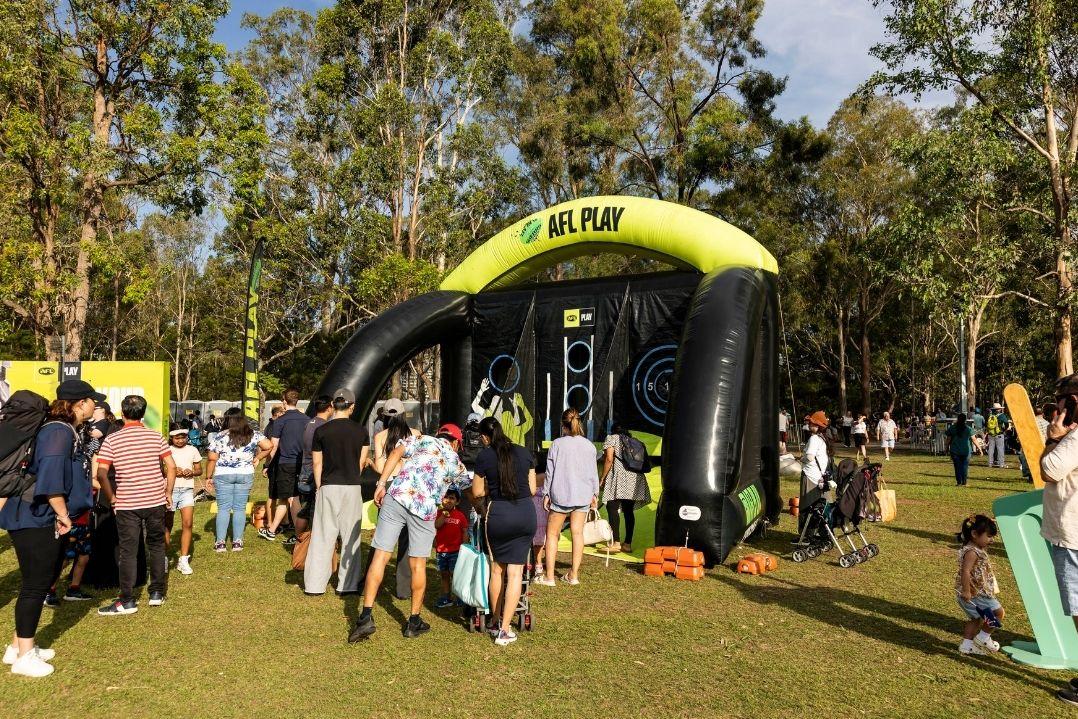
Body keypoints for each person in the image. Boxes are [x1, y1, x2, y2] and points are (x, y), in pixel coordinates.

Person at [1, 380, 99, 677]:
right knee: (35, 585)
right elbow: (51, 479)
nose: (96, 405)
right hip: (36, 516)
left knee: (41, 580)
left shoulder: (63, 430)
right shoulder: (57, 431)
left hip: (41, 515)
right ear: (80, 403)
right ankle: (25, 657)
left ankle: (18, 646)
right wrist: (63, 515)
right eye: (93, 400)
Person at [349, 424, 467, 642]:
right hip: (424, 508)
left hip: (397, 496)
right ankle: (413, 621)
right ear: (456, 443)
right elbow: (467, 483)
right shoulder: (454, 459)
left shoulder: (422, 439)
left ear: (439, 434)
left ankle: (365, 616)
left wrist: (381, 484)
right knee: (418, 564)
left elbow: (396, 452)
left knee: (380, 556)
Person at [96, 395, 177, 616]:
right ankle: (157, 593)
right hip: (155, 501)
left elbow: (101, 473)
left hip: (127, 503)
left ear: (122, 414)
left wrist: (111, 497)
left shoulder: (112, 440)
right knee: (157, 546)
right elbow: (171, 467)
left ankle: (127, 600)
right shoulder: (155, 437)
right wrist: (168, 492)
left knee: (128, 551)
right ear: (143, 413)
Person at [470, 416, 536, 645]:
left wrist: (491, 484)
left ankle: (494, 619)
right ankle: (505, 629)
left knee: (496, 570)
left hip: (498, 515)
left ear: (484, 437)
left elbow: (477, 492)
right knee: (516, 573)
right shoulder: (525, 452)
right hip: (525, 513)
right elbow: (533, 488)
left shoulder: (485, 456)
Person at [305, 389, 369, 595]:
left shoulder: (321, 431)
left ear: (333, 405)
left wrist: (319, 486)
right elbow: (360, 463)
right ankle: (347, 585)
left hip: (328, 485)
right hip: (351, 486)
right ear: (352, 406)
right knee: (351, 536)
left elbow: (317, 463)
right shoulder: (361, 431)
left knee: (323, 536)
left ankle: (314, 585)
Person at [1039, 374, 1078, 705]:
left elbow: (1049, 470)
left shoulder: (1075, 439)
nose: (1056, 408)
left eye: (1061, 401)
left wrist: (1053, 438)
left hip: (1073, 536)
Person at [537, 408, 599, 587]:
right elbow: (593, 473)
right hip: (582, 496)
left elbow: (550, 472)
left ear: (563, 425)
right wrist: (594, 493)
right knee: (577, 534)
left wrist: (546, 493)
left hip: (561, 495)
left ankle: (549, 577)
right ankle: (574, 575)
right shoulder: (589, 446)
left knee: (552, 534)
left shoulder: (556, 444)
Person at [370, 400, 421, 600]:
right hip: (411, 489)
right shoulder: (416, 435)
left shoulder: (380, 436)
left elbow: (382, 467)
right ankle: (403, 589)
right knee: (407, 542)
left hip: (391, 487)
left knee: (382, 541)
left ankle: (373, 581)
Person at [205, 413, 272, 553]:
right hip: (245, 473)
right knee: (240, 508)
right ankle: (237, 542)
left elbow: (212, 458)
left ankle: (220, 543)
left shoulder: (220, 435)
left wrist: (208, 477)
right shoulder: (253, 434)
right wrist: (258, 458)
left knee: (223, 508)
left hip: (223, 474)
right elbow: (269, 445)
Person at [262, 388, 309, 544]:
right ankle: (273, 530)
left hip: (285, 463)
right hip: (302, 463)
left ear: (284, 401)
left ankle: (295, 533)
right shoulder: (307, 419)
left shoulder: (280, 421)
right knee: (291, 497)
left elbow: (273, 446)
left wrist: (267, 464)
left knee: (288, 498)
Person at [954, 514, 1005, 655]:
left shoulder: (973, 547)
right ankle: (983, 637)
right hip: (976, 593)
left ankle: (967, 645)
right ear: (975, 534)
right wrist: (966, 590)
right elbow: (965, 571)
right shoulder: (972, 552)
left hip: (973, 592)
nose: (992, 540)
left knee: (975, 619)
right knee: (999, 613)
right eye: (989, 536)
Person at [599, 423, 652, 553]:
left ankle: (616, 543)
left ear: (613, 430)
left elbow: (609, 459)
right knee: (628, 510)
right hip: (635, 478)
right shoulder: (634, 441)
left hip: (620, 477)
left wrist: (603, 477)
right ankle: (627, 544)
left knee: (611, 506)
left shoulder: (611, 438)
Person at [166, 428, 202, 575]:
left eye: (183, 438)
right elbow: (162, 469)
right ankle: (164, 558)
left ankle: (183, 559)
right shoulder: (167, 450)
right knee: (167, 524)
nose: (180, 441)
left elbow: (199, 469)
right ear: (172, 439)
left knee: (187, 523)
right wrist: (173, 470)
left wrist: (191, 472)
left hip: (187, 490)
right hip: (170, 490)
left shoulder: (193, 450)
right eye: (176, 438)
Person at [798, 411, 833, 534]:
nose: (809, 424)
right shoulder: (823, 438)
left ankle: (807, 534)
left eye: (811, 422)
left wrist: (800, 459)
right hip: (820, 477)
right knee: (821, 506)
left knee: (807, 506)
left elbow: (810, 457)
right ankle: (821, 532)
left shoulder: (814, 438)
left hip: (810, 476)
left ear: (817, 426)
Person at [433, 488, 468, 608]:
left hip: (455, 551)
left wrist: (464, 546)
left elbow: (464, 531)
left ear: (457, 502)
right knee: (444, 574)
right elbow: (437, 525)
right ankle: (446, 597)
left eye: (452, 498)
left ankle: (460, 597)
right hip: (441, 551)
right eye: (446, 497)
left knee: (455, 574)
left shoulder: (460, 516)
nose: (448, 500)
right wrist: (443, 514)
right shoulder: (438, 513)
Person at [945, 413, 973, 487]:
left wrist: (946, 448)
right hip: (966, 450)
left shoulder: (952, 428)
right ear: (965, 420)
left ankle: (959, 482)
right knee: (965, 467)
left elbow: (948, 439)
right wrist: (980, 449)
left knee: (957, 467)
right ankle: (964, 482)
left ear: (958, 419)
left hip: (955, 450)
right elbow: (974, 439)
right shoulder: (968, 428)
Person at [986, 402, 1010, 468]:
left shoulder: (989, 416)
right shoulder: (1002, 416)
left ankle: (990, 463)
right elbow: (1006, 423)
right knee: (1000, 449)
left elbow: (986, 424)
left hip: (991, 434)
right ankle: (1001, 464)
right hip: (999, 434)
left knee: (991, 449)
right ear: (999, 409)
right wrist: (1004, 429)